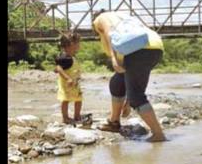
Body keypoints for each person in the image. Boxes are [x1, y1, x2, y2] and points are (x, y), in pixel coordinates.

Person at [92, 9, 167, 142]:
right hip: (155, 47)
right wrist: (127, 102)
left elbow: (109, 33)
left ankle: (158, 134)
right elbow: (127, 74)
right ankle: (114, 122)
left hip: (139, 50)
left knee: (136, 97)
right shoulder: (123, 18)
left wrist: (114, 59)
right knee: (117, 81)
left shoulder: (101, 18)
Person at [55, 32, 85, 124]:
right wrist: (67, 78)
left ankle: (77, 116)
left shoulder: (71, 57)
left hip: (75, 84)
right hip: (67, 84)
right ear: (70, 45)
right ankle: (65, 118)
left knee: (79, 100)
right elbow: (58, 68)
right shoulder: (65, 57)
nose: (79, 45)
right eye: (77, 43)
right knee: (65, 100)